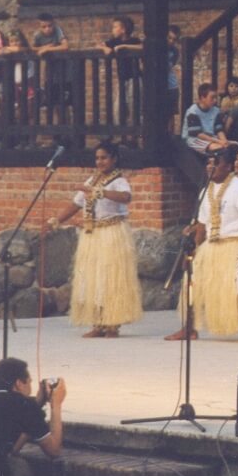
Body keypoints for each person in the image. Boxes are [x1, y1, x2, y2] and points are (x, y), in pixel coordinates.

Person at [164, 146, 238, 345]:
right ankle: (189, 329)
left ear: (228, 167)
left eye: (216, 163)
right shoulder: (205, 191)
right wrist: (194, 252)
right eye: (208, 163)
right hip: (212, 246)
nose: (211, 167)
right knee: (193, 282)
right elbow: (201, 225)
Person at [43, 140, 143, 338]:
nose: (100, 162)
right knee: (93, 279)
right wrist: (55, 221)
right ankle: (98, 323)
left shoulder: (119, 181)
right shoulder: (91, 181)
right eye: (97, 158)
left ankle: (113, 323)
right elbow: (75, 204)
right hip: (93, 235)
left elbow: (125, 197)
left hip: (112, 232)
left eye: (104, 157)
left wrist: (101, 192)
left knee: (111, 278)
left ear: (114, 159)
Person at [97, 16, 143, 127]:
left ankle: (133, 138)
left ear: (123, 30)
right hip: (122, 79)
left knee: (134, 107)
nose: (112, 30)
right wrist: (105, 49)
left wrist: (124, 46)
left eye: (115, 27)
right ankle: (124, 136)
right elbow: (99, 45)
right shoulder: (114, 41)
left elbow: (143, 47)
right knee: (118, 108)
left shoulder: (133, 40)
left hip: (135, 79)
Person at [31, 13, 69, 111]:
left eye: (49, 26)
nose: (47, 29)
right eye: (44, 27)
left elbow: (65, 46)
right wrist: (47, 47)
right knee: (51, 98)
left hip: (64, 67)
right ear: (40, 27)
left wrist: (48, 50)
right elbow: (32, 48)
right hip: (50, 68)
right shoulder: (37, 35)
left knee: (65, 102)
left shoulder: (57, 30)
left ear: (53, 24)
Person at [181, 83, 232, 155]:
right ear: (202, 98)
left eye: (216, 97)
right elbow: (198, 134)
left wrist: (224, 140)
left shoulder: (216, 110)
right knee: (217, 147)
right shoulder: (193, 111)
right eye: (212, 97)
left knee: (227, 146)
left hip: (211, 137)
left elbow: (219, 129)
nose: (215, 100)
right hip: (194, 139)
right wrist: (219, 142)